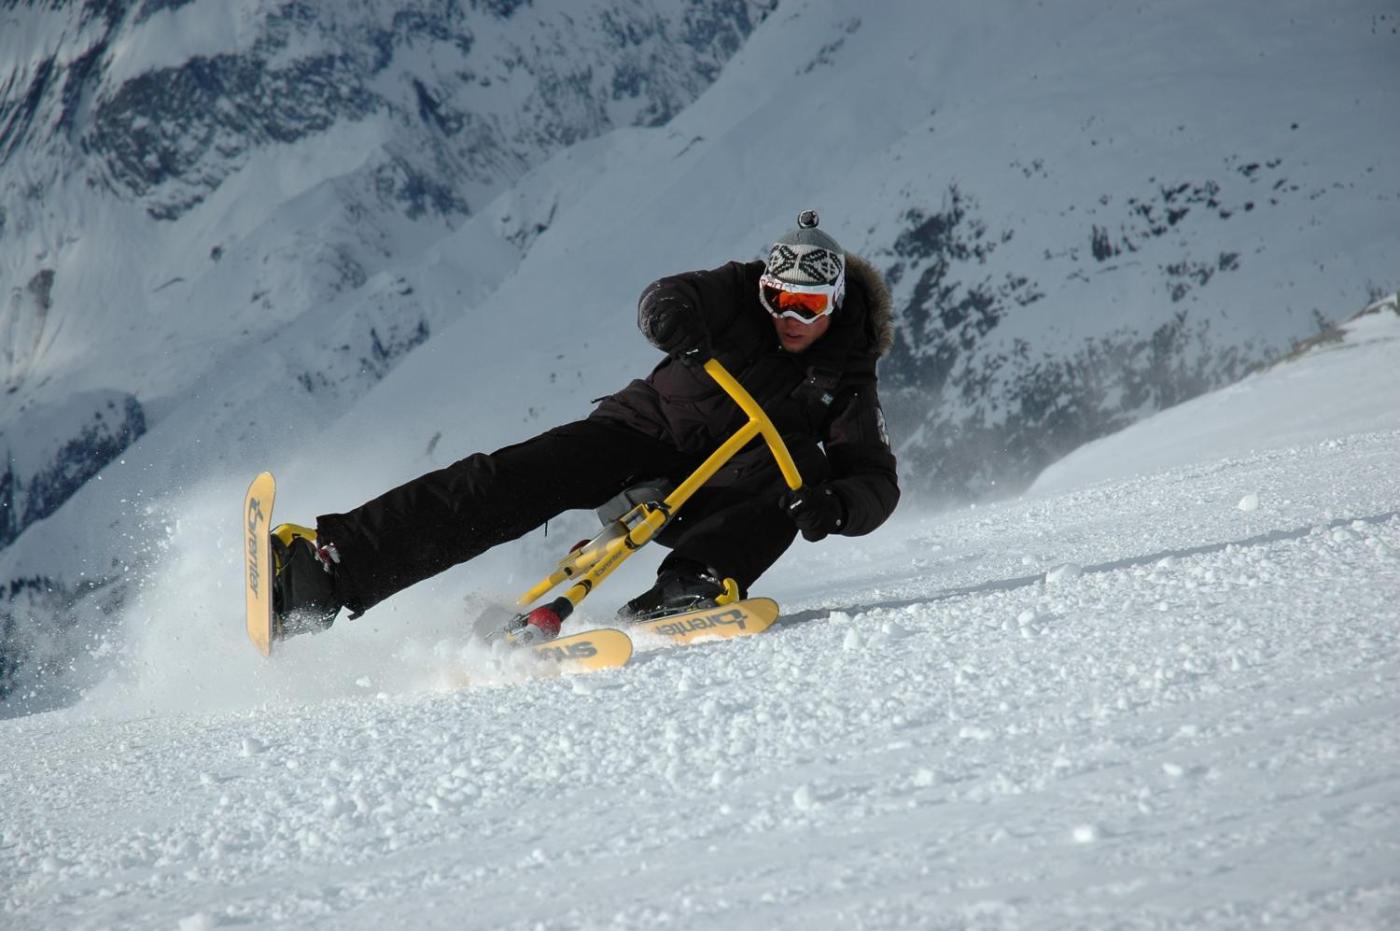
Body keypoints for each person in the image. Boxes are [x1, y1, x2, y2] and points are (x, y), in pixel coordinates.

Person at [270, 210, 899, 642]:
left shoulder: (847, 373)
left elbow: (872, 476)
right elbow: (671, 295)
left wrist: (837, 508)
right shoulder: (735, 291)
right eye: (778, 299)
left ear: (835, 303)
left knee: (799, 478)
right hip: (641, 436)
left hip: (723, 498)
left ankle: (693, 583)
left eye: (807, 306)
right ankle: (328, 568)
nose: (789, 317)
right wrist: (670, 317)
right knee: (513, 478)